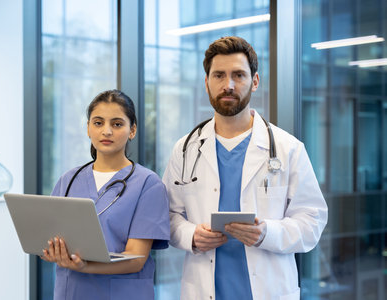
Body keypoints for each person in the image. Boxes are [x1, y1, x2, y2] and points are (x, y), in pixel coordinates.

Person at [163, 36, 328, 299]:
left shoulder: (288, 148)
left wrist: (267, 233)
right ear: (206, 83)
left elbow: (312, 222)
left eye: (238, 75)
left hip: (270, 289)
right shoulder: (185, 150)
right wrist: (191, 235)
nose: (228, 85)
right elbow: (168, 216)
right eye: (219, 75)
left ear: (255, 81)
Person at [42, 89, 170, 300]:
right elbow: (47, 238)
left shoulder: (148, 184)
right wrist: (52, 251)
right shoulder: (69, 179)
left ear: (132, 130)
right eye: (98, 123)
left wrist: (85, 266)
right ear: (88, 129)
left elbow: (136, 259)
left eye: (117, 124)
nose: (107, 131)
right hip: (71, 292)